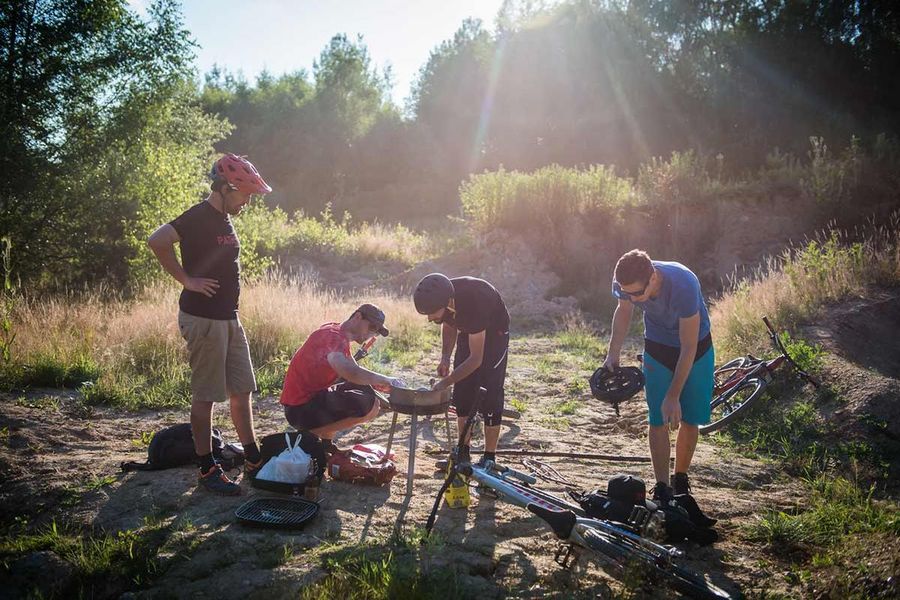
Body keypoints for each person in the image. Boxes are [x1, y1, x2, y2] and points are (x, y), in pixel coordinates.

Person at [147, 153, 272, 495]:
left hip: (229, 318)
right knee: (207, 396)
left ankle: (252, 456)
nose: (247, 202)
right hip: (203, 320)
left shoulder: (224, 219)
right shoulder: (198, 216)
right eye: (245, 195)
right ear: (225, 188)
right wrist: (187, 280)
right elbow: (156, 241)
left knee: (242, 389)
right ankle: (206, 469)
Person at [602, 249, 714, 503]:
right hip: (657, 346)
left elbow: (688, 346)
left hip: (696, 347)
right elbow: (623, 311)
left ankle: (681, 479)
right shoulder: (624, 281)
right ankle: (662, 487)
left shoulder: (684, 283)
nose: (632, 297)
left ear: (653, 278)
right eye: (626, 292)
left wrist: (674, 395)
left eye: (636, 293)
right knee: (657, 417)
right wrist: (613, 353)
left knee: (689, 418)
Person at [279, 304, 404, 484]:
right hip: (299, 408)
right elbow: (350, 372)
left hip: (310, 400)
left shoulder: (338, 334)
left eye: (376, 331)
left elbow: (354, 370)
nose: (372, 334)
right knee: (368, 405)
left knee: (366, 393)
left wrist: (376, 382)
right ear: (357, 317)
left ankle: (326, 445)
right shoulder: (332, 337)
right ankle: (307, 438)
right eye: (372, 327)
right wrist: (387, 379)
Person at [413, 273, 510, 466]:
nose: (430, 318)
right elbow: (449, 325)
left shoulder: (475, 302)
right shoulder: (442, 293)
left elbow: (475, 359)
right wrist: (445, 357)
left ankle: (489, 457)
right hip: (471, 331)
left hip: (495, 334)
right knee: (463, 393)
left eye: (432, 313)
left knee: (490, 393)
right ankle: (462, 452)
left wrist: (445, 383)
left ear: (448, 302)